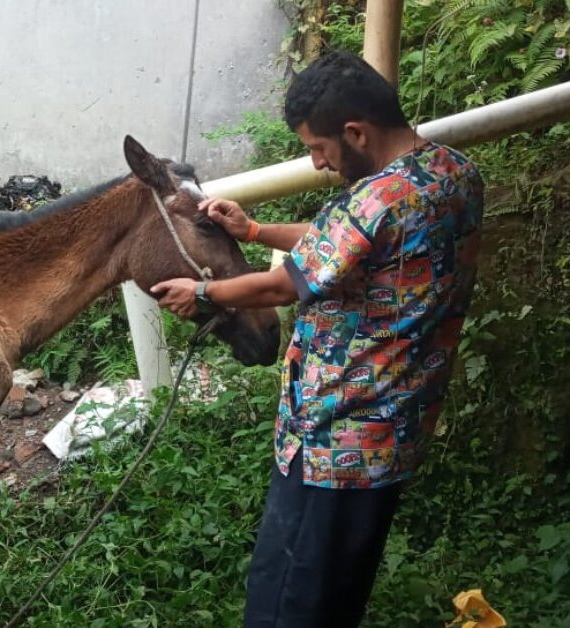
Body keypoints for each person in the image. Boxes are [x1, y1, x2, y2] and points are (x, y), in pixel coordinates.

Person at [150, 50, 484, 627]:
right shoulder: (452, 173)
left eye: (318, 148)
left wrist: (203, 294)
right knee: (340, 590)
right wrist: (252, 230)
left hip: (333, 438)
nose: (320, 162)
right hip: (396, 431)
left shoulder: (372, 199)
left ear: (355, 131)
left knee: (291, 597)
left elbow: (283, 285)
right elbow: (346, 238)